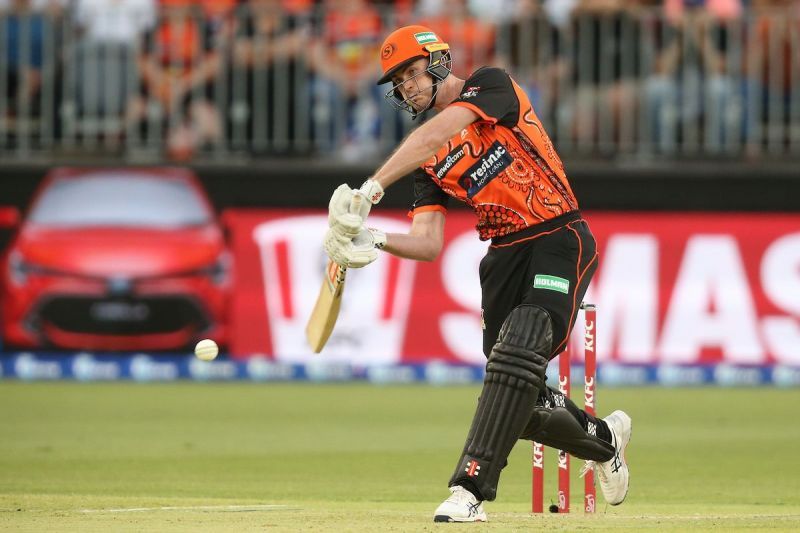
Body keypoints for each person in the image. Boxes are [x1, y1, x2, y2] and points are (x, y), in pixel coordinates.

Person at [322, 25, 632, 522]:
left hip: (556, 236)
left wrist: (369, 191)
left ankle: (469, 490)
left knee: (519, 350)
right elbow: (427, 243)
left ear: (438, 60)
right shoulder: (426, 162)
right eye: (397, 84)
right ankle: (605, 440)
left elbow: (436, 134)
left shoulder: (490, 84)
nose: (405, 88)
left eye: (409, 73)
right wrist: (374, 239)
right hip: (503, 258)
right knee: (519, 393)